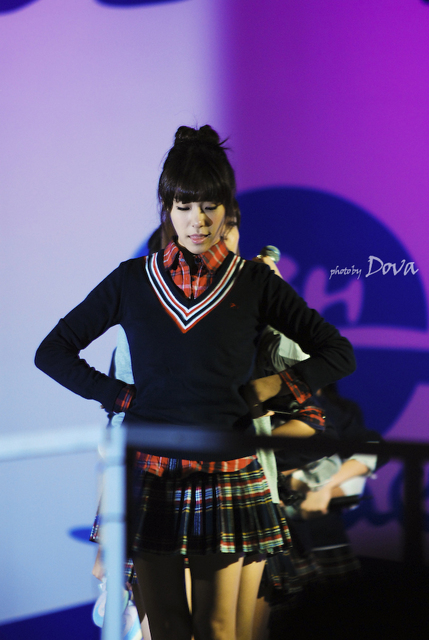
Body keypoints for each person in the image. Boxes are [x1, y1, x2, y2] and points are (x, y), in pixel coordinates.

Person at [35, 124, 355, 640]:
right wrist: (119, 396)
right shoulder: (131, 279)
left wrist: (274, 387)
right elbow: (51, 351)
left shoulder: (254, 281)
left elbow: (338, 351)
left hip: (227, 467)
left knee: (218, 628)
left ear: (227, 210)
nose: (197, 220)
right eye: (184, 206)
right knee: (164, 626)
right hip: (149, 468)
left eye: (209, 206)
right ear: (167, 209)